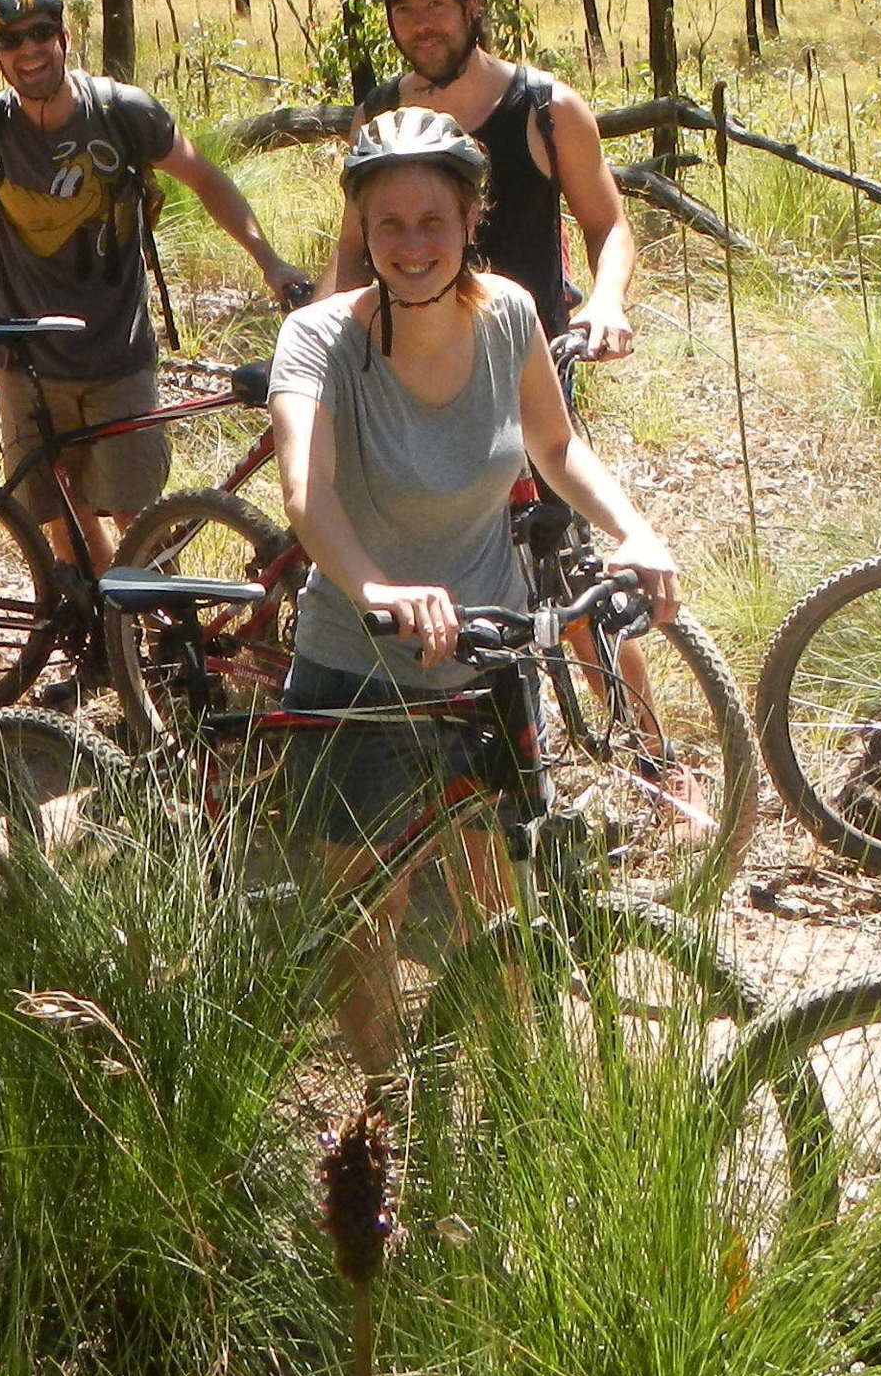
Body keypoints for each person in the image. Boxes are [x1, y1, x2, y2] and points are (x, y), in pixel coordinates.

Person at [271, 109, 686, 1075]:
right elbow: (306, 491)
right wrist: (380, 587)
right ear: (362, 234)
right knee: (358, 911)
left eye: (433, 222)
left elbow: (557, 444)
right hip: (359, 658)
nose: (412, 246)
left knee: (498, 897)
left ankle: (514, 1094)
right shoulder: (319, 338)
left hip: (490, 653)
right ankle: (389, 1104)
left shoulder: (506, 314)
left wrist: (635, 530)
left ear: (470, 221)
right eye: (389, 226)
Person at [0, 0, 318, 552]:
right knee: (60, 519)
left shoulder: (123, 113)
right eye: (10, 42)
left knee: (138, 521)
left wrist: (269, 260)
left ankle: (150, 639)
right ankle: (97, 636)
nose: (29, 50)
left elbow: (205, 176)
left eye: (40, 33)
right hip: (25, 364)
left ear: (63, 38)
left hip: (114, 357)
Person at [329, 0, 635, 359]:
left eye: (435, 4)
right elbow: (352, 247)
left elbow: (608, 225)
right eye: (404, 11)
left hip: (531, 365)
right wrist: (318, 342)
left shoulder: (548, 109)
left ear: (471, 6)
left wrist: (607, 300)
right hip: (411, 365)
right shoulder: (377, 117)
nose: (422, 26)